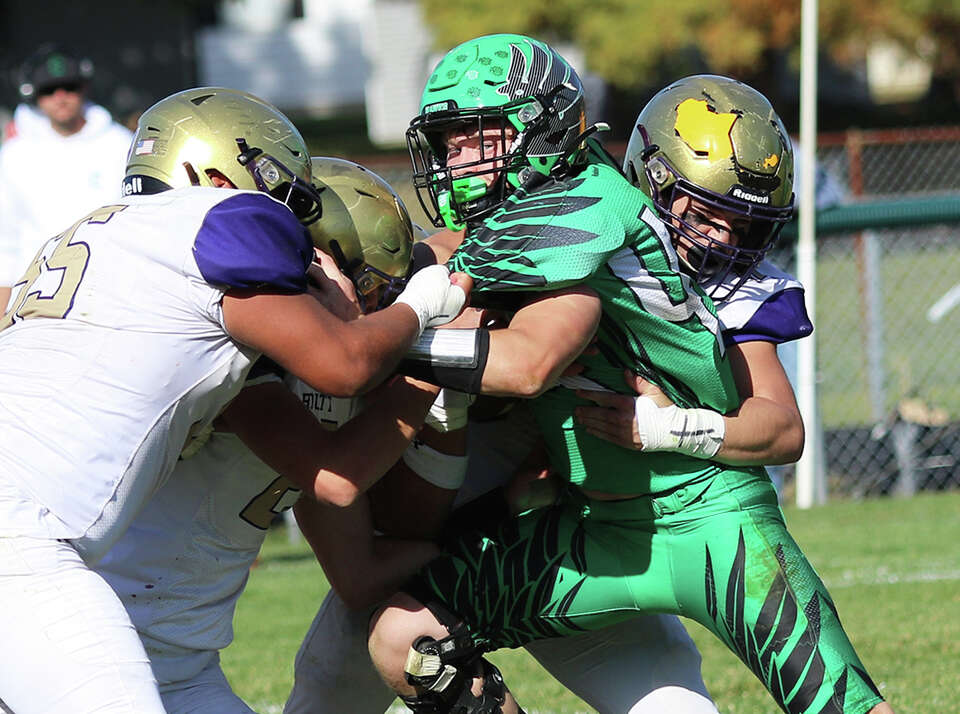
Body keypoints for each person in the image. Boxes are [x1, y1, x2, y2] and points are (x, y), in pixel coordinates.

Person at [366, 38, 893, 714]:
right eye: (706, 216)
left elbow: (783, 428)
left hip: (715, 522)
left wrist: (669, 425)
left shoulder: (637, 233)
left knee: (849, 706)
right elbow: (456, 254)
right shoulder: (565, 206)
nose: (724, 242)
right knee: (410, 639)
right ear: (655, 177)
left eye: (742, 225)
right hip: (597, 530)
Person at [0, 87, 468, 714]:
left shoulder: (96, 236)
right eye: (290, 199)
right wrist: (425, 305)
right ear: (217, 175)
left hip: (133, 617)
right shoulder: (222, 218)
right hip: (26, 539)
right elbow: (344, 364)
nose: (297, 235)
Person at [92, 156, 452, 714]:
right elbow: (336, 477)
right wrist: (429, 360)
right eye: (368, 285)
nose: (378, 313)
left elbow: (357, 574)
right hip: (103, 639)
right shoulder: (230, 355)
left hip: (182, 662)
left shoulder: (330, 382)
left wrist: (480, 534)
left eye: (388, 293)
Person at [0, 44, 133, 308]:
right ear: (34, 96)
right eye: (48, 90)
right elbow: (5, 241)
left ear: (84, 88)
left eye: (69, 86)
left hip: (110, 295)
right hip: (33, 301)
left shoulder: (121, 145)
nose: (60, 97)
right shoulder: (14, 155)